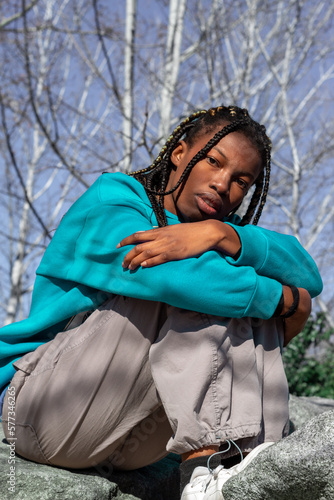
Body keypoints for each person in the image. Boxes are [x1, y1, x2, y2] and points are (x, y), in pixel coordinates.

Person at [0, 105, 322, 499]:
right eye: (213, 161)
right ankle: (209, 464)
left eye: (241, 180)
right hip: (43, 411)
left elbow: (309, 274)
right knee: (200, 285)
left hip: (130, 440)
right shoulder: (114, 200)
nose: (223, 185)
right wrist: (284, 300)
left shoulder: (219, 235)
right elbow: (175, 279)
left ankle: (246, 468)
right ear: (179, 153)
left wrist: (223, 236)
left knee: (223, 278)